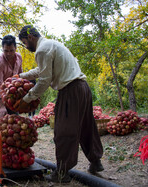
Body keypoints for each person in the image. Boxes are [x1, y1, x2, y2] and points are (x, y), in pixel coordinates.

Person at [14, 25, 104, 183]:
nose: (26, 47)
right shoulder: (51, 44)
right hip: (83, 88)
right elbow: (42, 70)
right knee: (86, 126)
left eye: (24, 42)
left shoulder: (42, 50)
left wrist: (26, 99)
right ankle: (95, 161)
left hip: (70, 91)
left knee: (63, 131)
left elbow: (44, 80)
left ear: (30, 37)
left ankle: (62, 173)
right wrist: (21, 76)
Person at [0, 35, 23, 125]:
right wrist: (2, 106)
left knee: (14, 120)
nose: (8, 53)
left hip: (11, 92)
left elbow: (20, 76)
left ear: (15, 48)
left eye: (11, 50)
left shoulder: (19, 58)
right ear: (2, 49)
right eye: (6, 51)